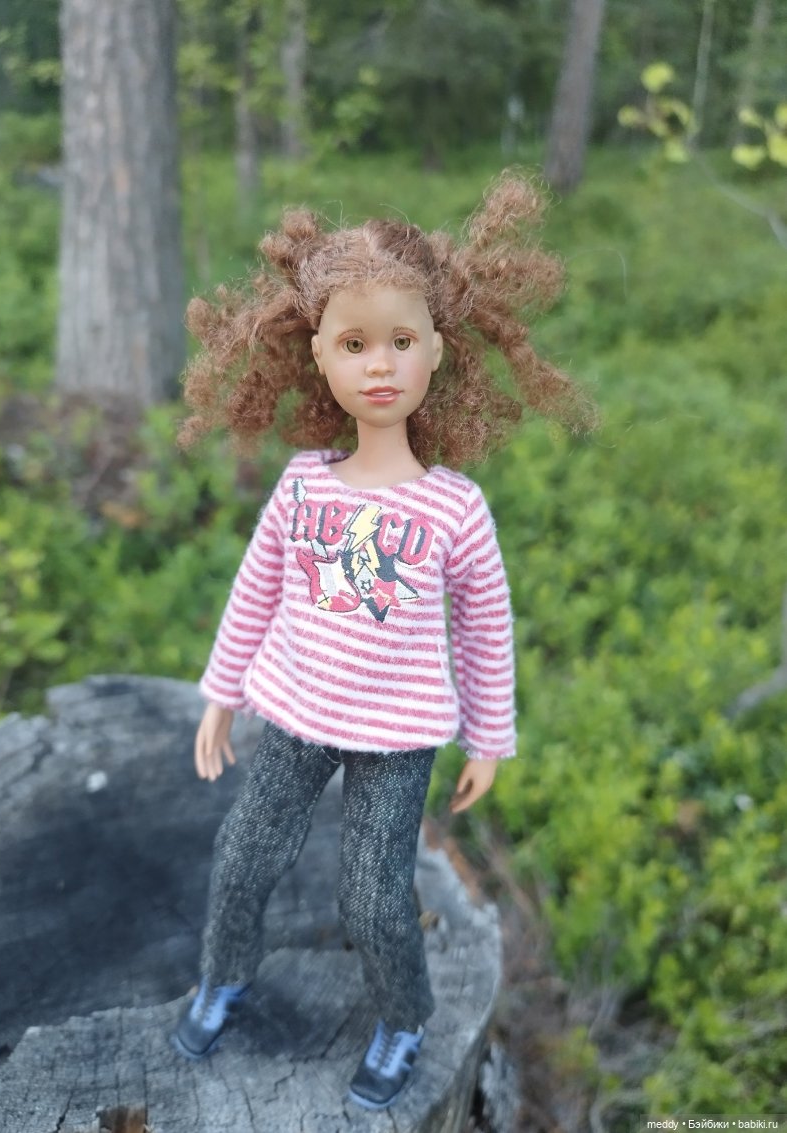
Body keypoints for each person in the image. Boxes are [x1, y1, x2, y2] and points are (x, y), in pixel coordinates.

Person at [171, 173, 596, 1110]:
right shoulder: (303, 483)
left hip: (399, 734)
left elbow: (485, 625)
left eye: (401, 342)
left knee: (371, 896)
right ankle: (223, 976)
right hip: (296, 710)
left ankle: (405, 1017)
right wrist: (222, 691)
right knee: (242, 857)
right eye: (355, 344)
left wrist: (488, 736)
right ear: (317, 355)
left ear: (437, 349)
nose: (380, 366)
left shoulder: (453, 508)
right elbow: (257, 587)